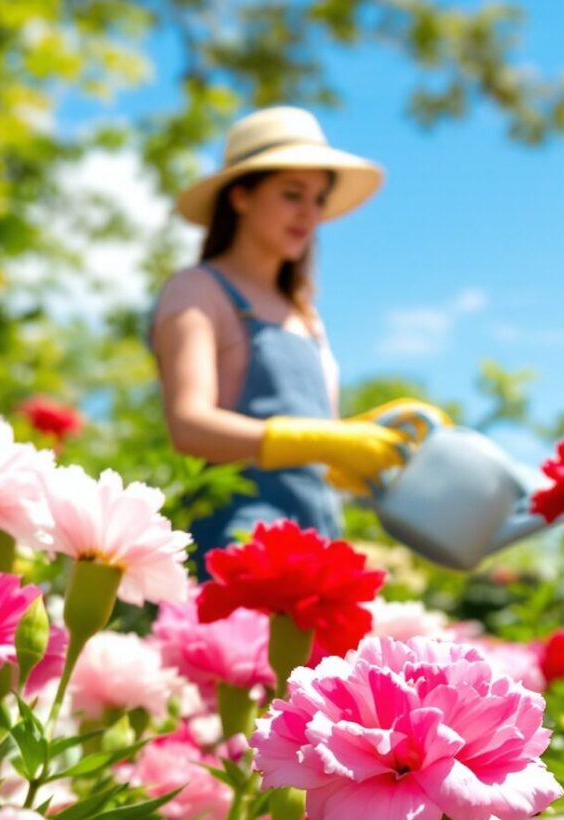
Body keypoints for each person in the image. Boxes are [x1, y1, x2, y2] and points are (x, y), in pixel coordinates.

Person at [151, 106, 431, 557]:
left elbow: (320, 445)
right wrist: (322, 440)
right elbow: (189, 425)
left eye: (319, 199)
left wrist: (358, 451)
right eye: (292, 194)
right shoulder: (198, 290)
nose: (309, 213)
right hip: (238, 541)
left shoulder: (307, 317)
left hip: (319, 536)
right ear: (241, 196)